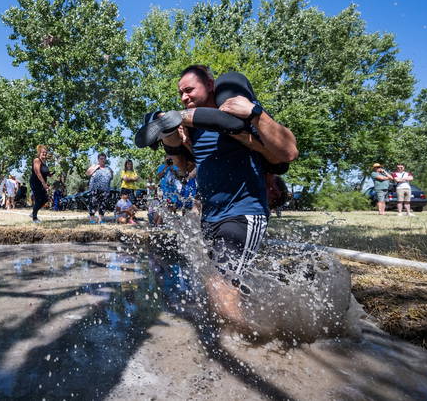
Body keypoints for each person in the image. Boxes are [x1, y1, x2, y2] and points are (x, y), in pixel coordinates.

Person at [135, 66, 297, 333]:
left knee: (219, 281)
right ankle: (265, 323)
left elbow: (289, 151)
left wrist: (255, 113)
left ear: (210, 85)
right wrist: (172, 135)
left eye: (189, 90)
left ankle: (247, 341)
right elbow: (183, 169)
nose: (184, 97)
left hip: (244, 212)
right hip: (210, 218)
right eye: (180, 94)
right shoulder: (194, 130)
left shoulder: (237, 115)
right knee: (223, 282)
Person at [86, 153, 114, 224]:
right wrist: (96, 167)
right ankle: (92, 219)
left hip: (105, 190)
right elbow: (88, 173)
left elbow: (111, 177)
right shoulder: (94, 166)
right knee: (92, 204)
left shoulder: (108, 168)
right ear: (98, 159)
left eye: (104, 159)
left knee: (103, 205)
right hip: (94, 189)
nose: (103, 160)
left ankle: (100, 220)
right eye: (101, 159)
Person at [29, 145, 51, 223]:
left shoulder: (44, 162)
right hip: (35, 182)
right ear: (39, 153)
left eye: (45, 152)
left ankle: (33, 213)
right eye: (43, 152)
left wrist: (50, 174)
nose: (44, 154)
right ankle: (34, 218)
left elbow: (44, 172)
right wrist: (44, 183)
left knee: (45, 199)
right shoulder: (37, 160)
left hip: (42, 183)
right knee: (38, 199)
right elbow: (38, 173)